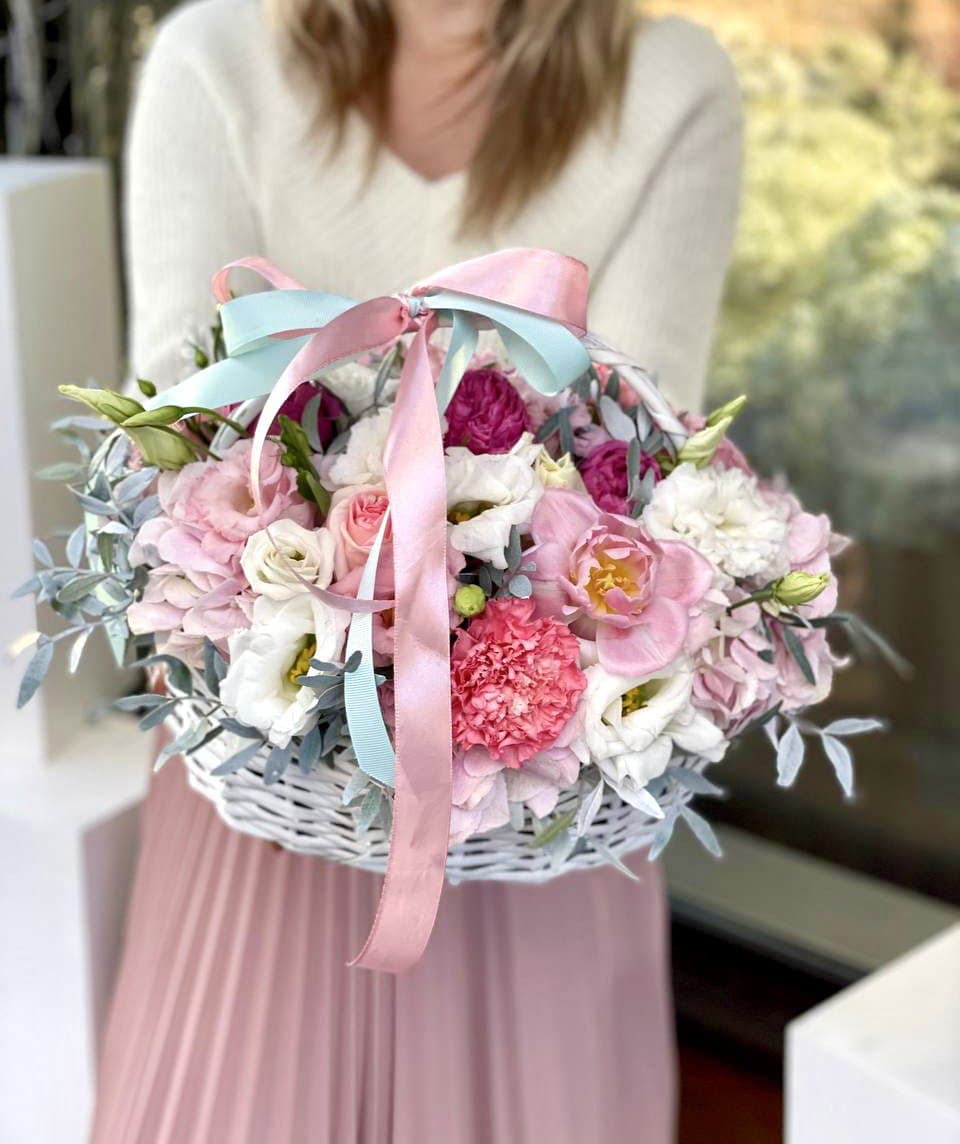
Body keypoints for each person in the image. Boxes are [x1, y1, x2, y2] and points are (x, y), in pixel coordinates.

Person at [92, 1, 742, 1140]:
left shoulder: (668, 82)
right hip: (264, 779)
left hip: (540, 789)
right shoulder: (218, 58)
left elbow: (643, 458)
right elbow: (175, 429)